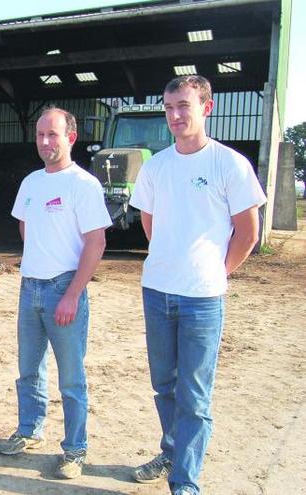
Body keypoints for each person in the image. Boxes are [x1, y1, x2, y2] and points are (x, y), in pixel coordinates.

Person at [129, 75, 266, 495]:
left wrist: (216, 271)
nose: (174, 115)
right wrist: (172, 262)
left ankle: (184, 482)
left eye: (183, 106)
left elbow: (248, 233)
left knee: (195, 392)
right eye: (169, 107)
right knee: (164, 385)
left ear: (206, 107)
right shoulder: (156, 166)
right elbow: (150, 226)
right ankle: (172, 449)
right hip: (157, 291)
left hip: (203, 298)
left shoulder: (229, 164)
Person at [0, 108, 111, 479]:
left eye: (53, 135)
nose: (45, 141)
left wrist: (72, 293)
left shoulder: (83, 185)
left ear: (70, 138)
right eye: (41, 134)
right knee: (28, 370)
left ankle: (75, 449)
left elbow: (96, 242)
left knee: (71, 377)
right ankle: (29, 429)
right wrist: (37, 269)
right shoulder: (31, 183)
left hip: (64, 289)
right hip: (30, 289)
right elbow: (27, 230)